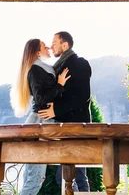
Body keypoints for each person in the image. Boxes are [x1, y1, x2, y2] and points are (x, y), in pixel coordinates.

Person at [10, 38, 70, 195]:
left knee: (34, 177)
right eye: (44, 46)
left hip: (42, 121)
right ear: (37, 52)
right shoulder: (36, 71)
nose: (49, 47)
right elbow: (41, 99)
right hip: (40, 121)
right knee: (35, 178)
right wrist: (60, 84)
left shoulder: (42, 69)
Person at [38, 31, 92, 192]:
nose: (51, 45)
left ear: (65, 45)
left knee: (65, 176)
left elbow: (83, 96)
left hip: (76, 127)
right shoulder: (57, 67)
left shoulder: (80, 63)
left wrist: (56, 110)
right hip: (64, 127)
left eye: (55, 42)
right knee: (79, 175)